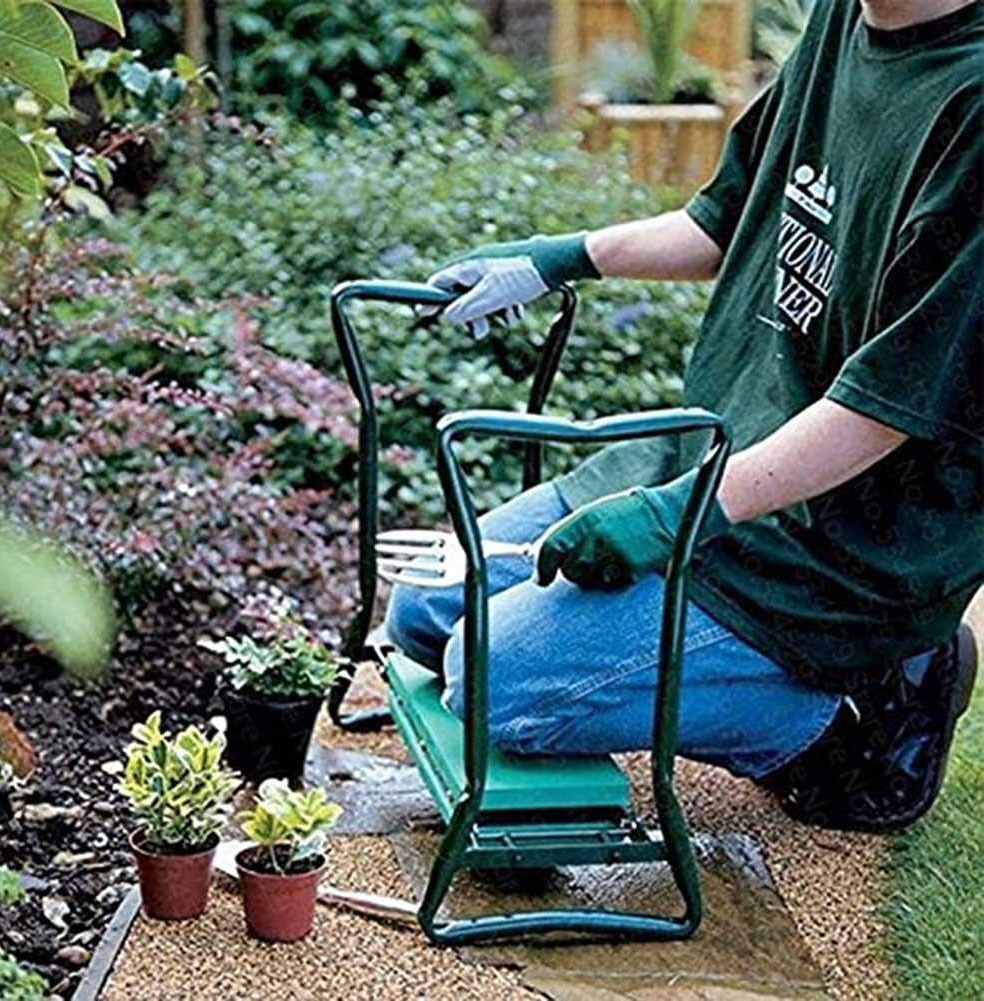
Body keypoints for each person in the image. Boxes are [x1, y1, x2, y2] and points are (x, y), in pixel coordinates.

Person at [385, 0, 983, 832]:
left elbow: (882, 408)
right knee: (423, 610)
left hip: (843, 544)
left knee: (490, 681)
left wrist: (674, 516)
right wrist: (559, 259)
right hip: (715, 453)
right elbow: (725, 218)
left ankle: (856, 714)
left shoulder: (969, 101)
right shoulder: (842, 19)